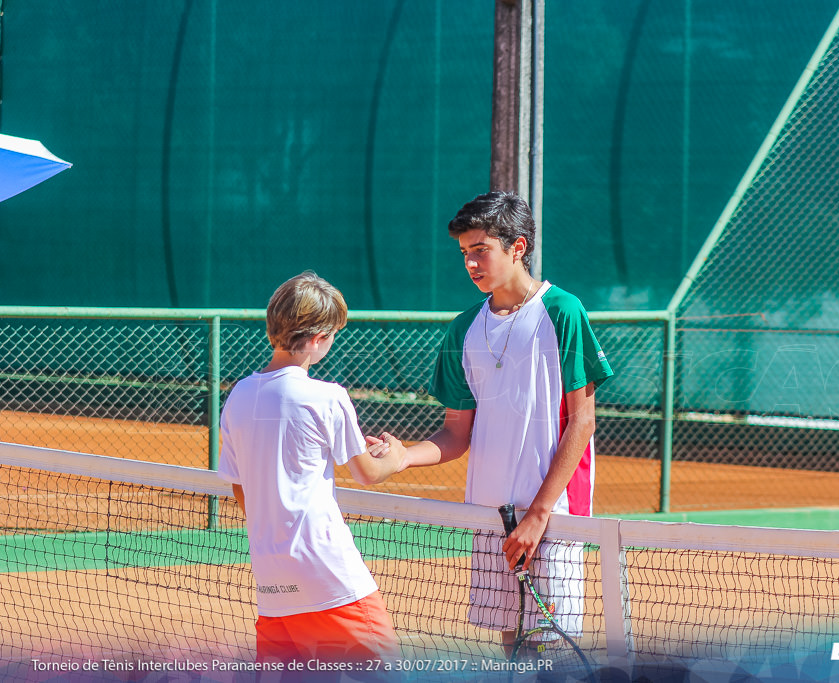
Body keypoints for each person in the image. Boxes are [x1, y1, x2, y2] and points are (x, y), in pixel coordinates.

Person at [384, 191, 613, 652]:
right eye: (464, 253)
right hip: (490, 515)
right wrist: (404, 456)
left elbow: (582, 423)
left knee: (552, 650)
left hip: (552, 516)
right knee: (512, 645)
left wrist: (538, 514)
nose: (470, 263)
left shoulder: (562, 311)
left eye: (480, 249)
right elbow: (455, 432)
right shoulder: (463, 329)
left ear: (518, 247)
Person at [217, 271, 404, 667]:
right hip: (330, 576)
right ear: (318, 339)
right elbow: (367, 472)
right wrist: (395, 454)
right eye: (332, 335)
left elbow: (240, 490)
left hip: (273, 583)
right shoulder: (328, 397)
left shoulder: (237, 397)